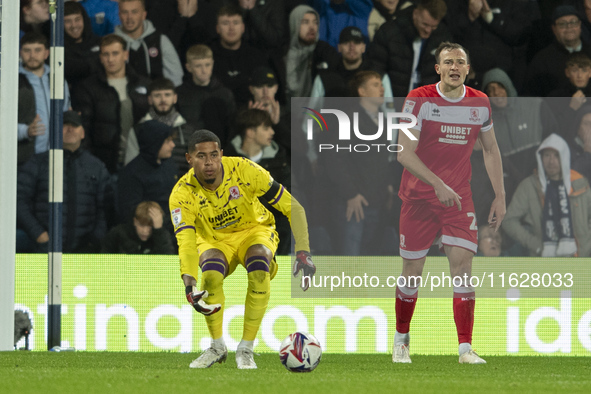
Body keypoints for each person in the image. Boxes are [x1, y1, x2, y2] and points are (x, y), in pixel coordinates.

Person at [394, 42, 505, 364]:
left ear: (468, 69)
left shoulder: (480, 103)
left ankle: (465, 348)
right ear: (438, 69)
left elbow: (490, 149)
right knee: (412, 273)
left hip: (458, 199)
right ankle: (401, 340)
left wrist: (500, 195)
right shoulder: (419, 99)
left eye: (460, 62)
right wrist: (437, 184)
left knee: (463, 270)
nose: (454, 66)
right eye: (448, 62)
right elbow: (404, 152)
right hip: (418, 198)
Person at [169, 129, 315, 369]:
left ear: (221, 154)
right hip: (214, 240)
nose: (209, 163)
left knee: (259, 267)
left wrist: (303, 252)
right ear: (189, 159)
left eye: (214, 155)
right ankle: (217, 347)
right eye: (201, 156)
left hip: (254, 230)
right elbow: (185, 241)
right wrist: (189, 283)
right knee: (211, 277)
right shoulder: (181, 193)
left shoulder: (245, 170)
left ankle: (245, 349)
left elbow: (294, 208)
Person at [17, 111, 111, 253]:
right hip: (43, 251)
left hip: (84, 252)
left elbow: (105, 208)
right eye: (64, 125)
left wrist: (94, 240)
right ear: (54, 131)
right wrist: (39, 235)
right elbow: (18, 200)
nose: (70, 129)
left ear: (83, 133)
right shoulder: (38, 163)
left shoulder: (97, 167)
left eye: (75, 125)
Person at [72, 34, 150, 174]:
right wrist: (90, 163)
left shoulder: (144, 84)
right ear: (100, 57)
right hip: (104, 163)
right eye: (105, 54)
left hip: (140, 160)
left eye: (115, 53)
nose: (110, 59)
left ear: (125, 55)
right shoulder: (87, 88)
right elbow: (84, 129)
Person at [503, 134, 591, 257]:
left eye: (556, 155)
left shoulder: (579, 182)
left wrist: (588, 245)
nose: (551, 161)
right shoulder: (529, 186)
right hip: (546, 261)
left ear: (564, 157)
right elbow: (508, 221)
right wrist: (536, 245)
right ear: (540, 157)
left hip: (582, 257)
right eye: (547, 155)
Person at [225, 109, 292, 255]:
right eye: (266, 128)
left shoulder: (279, 162)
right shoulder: (226, 162)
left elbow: (288, 198)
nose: (272, 132)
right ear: (250, 132)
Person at [368, 0, 451, 106]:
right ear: (415, 13)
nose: (428, 30)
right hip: (392, 104)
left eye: (433, 26)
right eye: (425, 24)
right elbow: (376, 69)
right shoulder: (389, 33)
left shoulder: (443, 37)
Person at [124, 78, 195, 177]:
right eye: (157, 95)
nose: (163, 100)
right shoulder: (138, 130)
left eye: (167, 95)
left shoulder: (189, 130)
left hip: (182, 187)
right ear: (149, 99)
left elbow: (195, 166)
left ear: (175, 98)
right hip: (150, 186)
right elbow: (131, 167)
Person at [118, 120, 179, 235]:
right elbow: (129, 214)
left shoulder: (170, 165)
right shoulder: (132, 173)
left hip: (173, 233)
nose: (173, 145)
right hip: (147, 236)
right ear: (154, 143)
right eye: (167, 141)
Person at [18, 33, 71, 158]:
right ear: (20, 53)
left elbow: (66, 111)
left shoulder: (58, 78)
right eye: (27, 51)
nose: (32, 56)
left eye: (37, 50)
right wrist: (25, 131)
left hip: (55, 157)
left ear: (46, 53)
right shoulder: (11, 80)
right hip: (23, 158)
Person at [176, 44, 236, 148]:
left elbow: (232, 126)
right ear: (188, 67)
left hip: (220, 150)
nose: (204, 70)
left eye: (207, 65)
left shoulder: (225, 93)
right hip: (190, 149)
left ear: (212, 64)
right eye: (198, 66)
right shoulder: (179, 94)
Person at [210, 5, 270, 106]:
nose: (231, 28)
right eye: (225, 23)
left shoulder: (257, 56)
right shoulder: (207, 55)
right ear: (217, 29)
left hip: (252, 114)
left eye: (236, 23)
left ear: (243, 28)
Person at [114, 0, 184, 86]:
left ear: (144, 15)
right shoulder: (112, 43)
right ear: (119, 15)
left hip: (156, 97)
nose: (129, 17)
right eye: (125, 12)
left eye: (134, 12)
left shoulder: (160, 40)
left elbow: (176, 80)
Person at [526, 5, 591, 97]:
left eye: (573, 22)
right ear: (554, 29)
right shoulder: (542, 60)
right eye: (562, 24)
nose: (569, 27)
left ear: (580, 25)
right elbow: (532, 97)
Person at [284, 5, 340, 100]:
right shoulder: (282, 55)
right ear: (294, 24)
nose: (312, 27)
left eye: (315, 22)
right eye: (305, 22)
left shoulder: (325, 52)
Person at [102, 201, 175, 254]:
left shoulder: (162, 236)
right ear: (135, 221)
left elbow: (167, 259)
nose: (145, 231)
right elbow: (104, 259)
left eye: (150, 226)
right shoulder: (118, 234)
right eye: (141, 225)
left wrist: (158, 231)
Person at [64, 1, 101, 92]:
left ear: (84, 19)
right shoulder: (57, 49)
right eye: (68, 21)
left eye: (77, 19)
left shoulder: (98, 42)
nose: (74, 25)